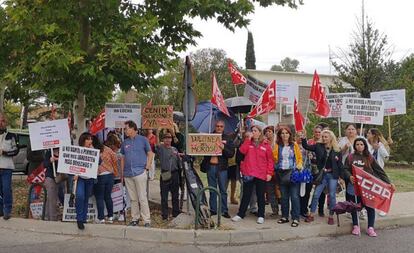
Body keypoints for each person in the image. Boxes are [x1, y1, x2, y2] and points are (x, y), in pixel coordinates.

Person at [343, 137, 395, 237]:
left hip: (367, 187)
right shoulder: (350, 157)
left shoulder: (369, 157)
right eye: (357, 144)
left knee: (370, 206)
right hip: (354, 186)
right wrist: (349, 176)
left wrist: (389, 182)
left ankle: (370, 227)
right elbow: (345, 169)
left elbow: (379, 171)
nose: (359, 146)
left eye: (361, 144)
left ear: (365, 146)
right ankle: (356, 225)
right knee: (355, 206)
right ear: (355, 146)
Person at [231, 125, 273, 224]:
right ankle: (241, 214)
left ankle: (261, 215)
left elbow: (270, 160)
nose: (253, 132)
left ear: (259, 133)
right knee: (246, 194)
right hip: (249, 172)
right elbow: (242, 151)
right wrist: (247, 140)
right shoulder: (248, 143)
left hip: (261, 173)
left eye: (255, 131)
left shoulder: (266, 145)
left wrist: (269, 173)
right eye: (252, 131)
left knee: (260, 195)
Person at [301, 130, 343, 225]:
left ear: (331, 138)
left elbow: (340, 164)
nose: (324, 138)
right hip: (322, 175)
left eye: (326, 137)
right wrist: (304, 138)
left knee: (332, 195)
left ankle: (331, 215)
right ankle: (311, 214)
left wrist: (342, 177)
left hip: (333, 175)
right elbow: (306, 146)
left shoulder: (337, 149)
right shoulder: (318, 146)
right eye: (323, 136)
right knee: (316, 194)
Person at [121, 120, 153, 227]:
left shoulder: (143, 140)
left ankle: (146, 220)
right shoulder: (125, 142)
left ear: (132, 128)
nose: (125, 130)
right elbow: (122, 158)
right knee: (133, 198)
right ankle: (135, 218)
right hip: (128, 173)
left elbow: (150, 153)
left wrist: (147, 166)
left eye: (126, 128)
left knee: (142, 197)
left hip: (140, 172)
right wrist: (122, 173)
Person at [201, 120, 235, 218]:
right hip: (210, 166)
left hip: (222, 168)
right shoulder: (209, 137)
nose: (219, 128)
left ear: (223, 128)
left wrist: (223, 147)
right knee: (212, 189)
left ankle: (224, 210)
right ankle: (213, 210)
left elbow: (231, 154)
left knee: (223, 190)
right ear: (214, 127)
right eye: (217, 126)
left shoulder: (228, 138)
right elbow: (201, 150)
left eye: (221, 126)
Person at [273, 127, 303, 227]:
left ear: (290, 135)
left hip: (293, 173)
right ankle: (285, 216)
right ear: (280, 135)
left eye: (286, 133)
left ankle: (295, 218)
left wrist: (298, 166)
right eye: (282, 133)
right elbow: (274, 158)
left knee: (294, 197)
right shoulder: (277, 145)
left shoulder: (294, 145)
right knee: (284, 197)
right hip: (281, 173)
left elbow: (299, 158)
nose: (284, 135)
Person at [155, 129, 181, 220]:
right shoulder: (161, 148)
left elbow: (179, 160)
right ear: (163, 140)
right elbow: (156, 145)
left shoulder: (174, 149)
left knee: (175, 195)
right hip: (165, 173)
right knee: (164, 195)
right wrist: (157, 133)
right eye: (165, 138)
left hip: (174, 173)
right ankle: (165, 215)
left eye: (169, 138)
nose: (167, 140)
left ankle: (175, 213)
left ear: (171, 139)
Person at [300, 125, 326, 218]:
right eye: (316, 132)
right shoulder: (309, 142)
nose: (318, 134)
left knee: (321, 192)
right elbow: (304, 149)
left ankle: (321, 209)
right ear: (313, 132)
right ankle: (304, 209)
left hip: (320, 171)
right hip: (309, 170)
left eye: (319, 132)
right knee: (307, 190)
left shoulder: (325, 143)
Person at [75, 132, 97, 230]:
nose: (90, 141)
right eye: (88, 139)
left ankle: (83, 218)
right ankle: (79, 219)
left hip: (90, 179)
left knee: (86, 198)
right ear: (83, 140)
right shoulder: (77, 150)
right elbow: (71, 162)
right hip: (80, 178)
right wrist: (74, 174)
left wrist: (93, 152)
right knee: (80, 196)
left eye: (91, 139)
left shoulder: (93, 150)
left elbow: (99, 162)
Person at [94, 134, 118, 224]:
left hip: (100, 175)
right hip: (110, 175)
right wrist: (115, 172)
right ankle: (110, 216)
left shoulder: (93, 150)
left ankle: (101, 218)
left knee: (99, 197)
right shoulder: (107, 149)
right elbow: (115, 159)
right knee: (108, 196)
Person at [0, 113, 19, 220]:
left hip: (6, 167)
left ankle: (7, 210)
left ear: (5, 122)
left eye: (2, 120)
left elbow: (16, 150)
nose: (0, 123)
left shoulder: (11, 135)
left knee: (6, 189)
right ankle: (1, 210)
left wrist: (4, 152)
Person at [264, 126, 279, 217]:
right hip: (268, 171)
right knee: (270, 192)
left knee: (280, 192)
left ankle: (285, 210)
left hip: (278, 171)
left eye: (270, 131)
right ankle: (275, 211)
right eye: (266, 132)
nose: (268, 133)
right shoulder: (264, 143)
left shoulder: (278, 143)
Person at [43, 148, 60, 221]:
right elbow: (45, 164)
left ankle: (47, 216)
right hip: (50, 177)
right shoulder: (49, 152)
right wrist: (50, 160)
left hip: (60, 177)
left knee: (53, 198)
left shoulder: (64, 151)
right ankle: (52, 218)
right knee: (51, 198)